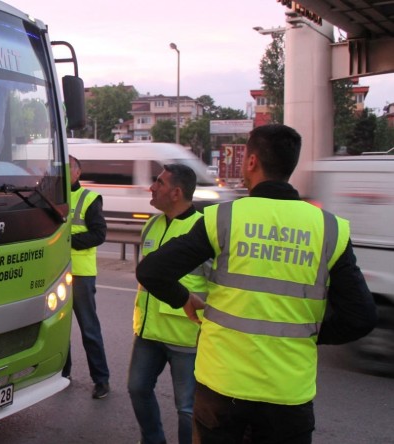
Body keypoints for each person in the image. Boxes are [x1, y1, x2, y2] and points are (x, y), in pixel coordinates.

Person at [136, 124, 377, 443]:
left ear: (251, 162)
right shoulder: (329, 229)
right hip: (288, 394)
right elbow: (361, 317)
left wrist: (185, 298)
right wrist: (309, 333)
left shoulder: (222, 218)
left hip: (222, 387)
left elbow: (152, 271)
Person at [129, 164, 206, 444]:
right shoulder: (152, 224)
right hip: (148, 332)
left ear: (175, 192)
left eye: (158, 183)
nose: (152, 187)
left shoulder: (202, 230)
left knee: (186, 408)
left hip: (185, 337)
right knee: (137, 389)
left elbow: (216, 285)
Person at [64, 155, 111, 399]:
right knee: (59, 329)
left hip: (81, 274)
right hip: (55, 272)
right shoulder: (51, 197)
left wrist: (66, 242)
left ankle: (101, 380)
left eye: (68, 167)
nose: (62, 171)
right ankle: (63, 374)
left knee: (89, 329)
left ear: (78, 173)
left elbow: (99, 234)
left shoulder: (89, 198)